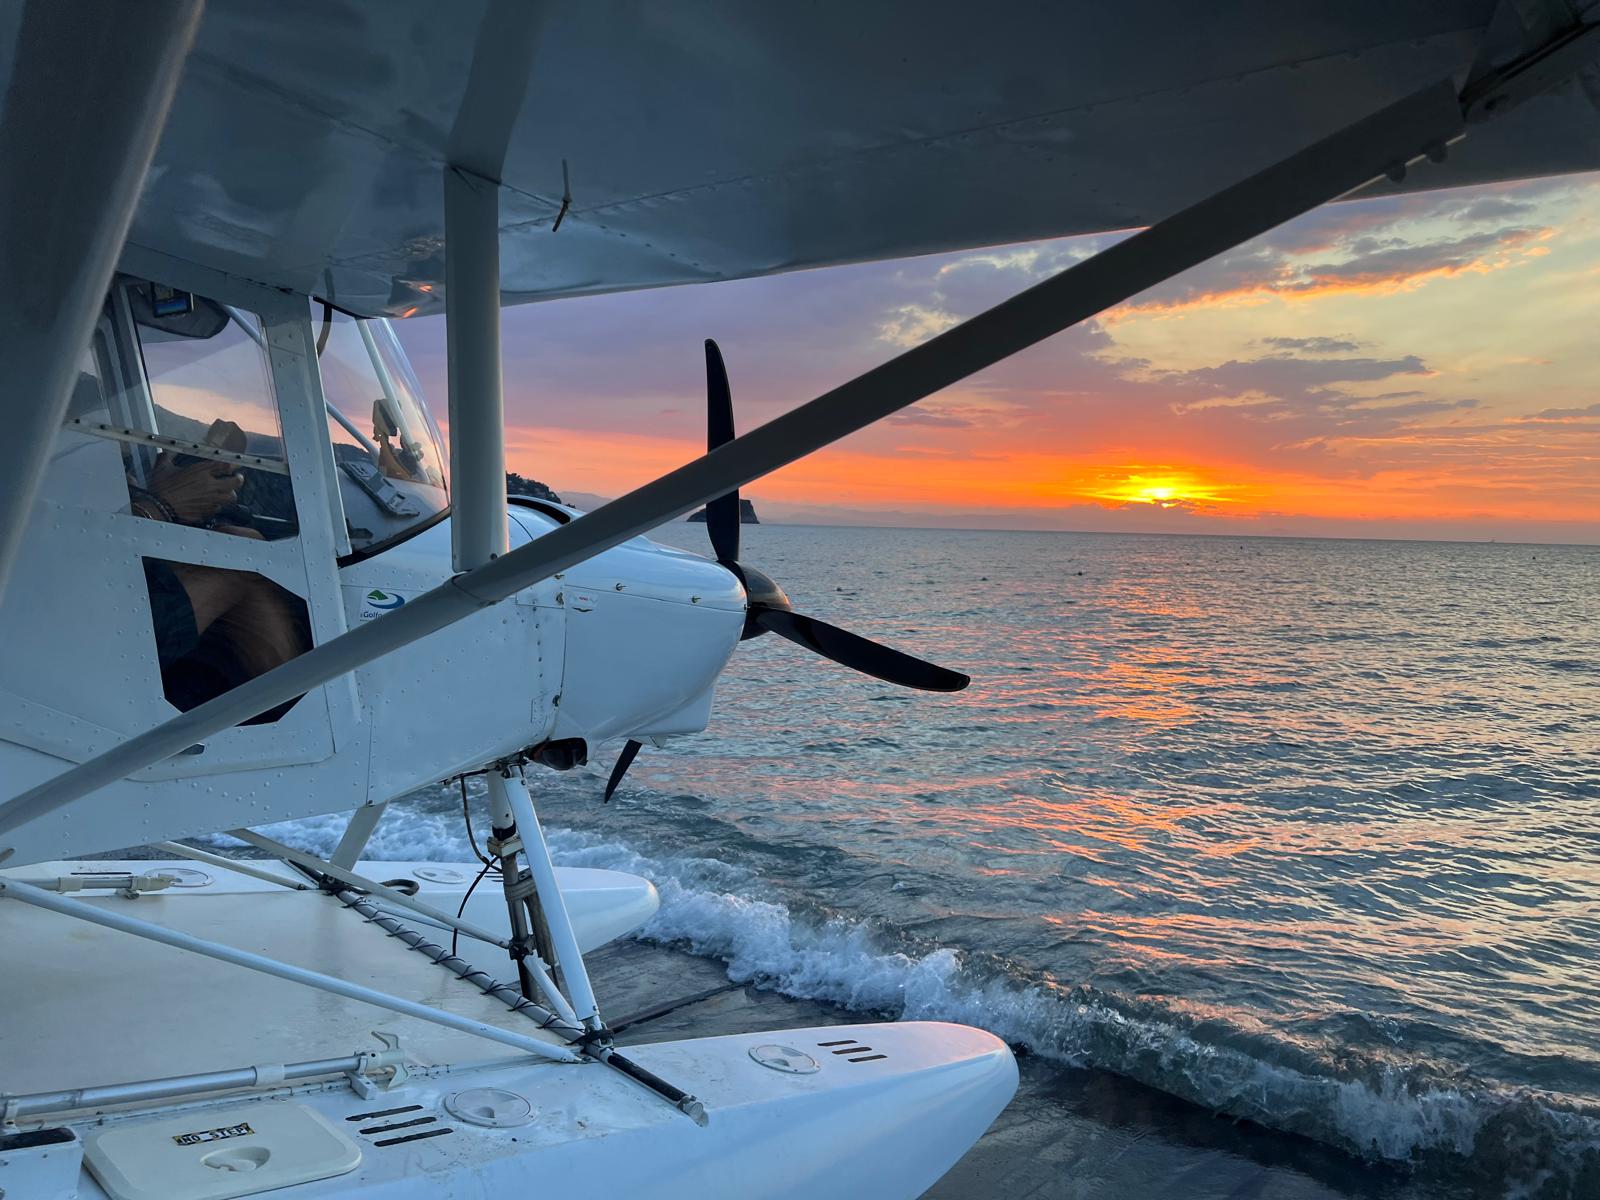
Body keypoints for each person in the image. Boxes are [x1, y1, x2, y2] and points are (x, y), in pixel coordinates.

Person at [127, 439, 309, 710]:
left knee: (240, 540)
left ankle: (291, 703)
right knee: (241, 561)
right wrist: (161, 505)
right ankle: (296, 707)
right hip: (94, 625)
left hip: (114, 581)